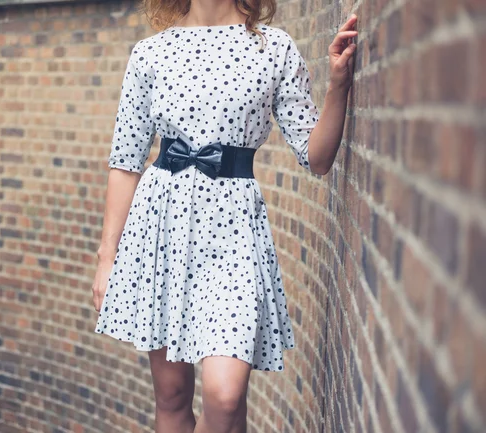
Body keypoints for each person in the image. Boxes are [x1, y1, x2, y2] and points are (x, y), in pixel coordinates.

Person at [92, 0, 357, 432]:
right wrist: (107, 259)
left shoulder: (274, 49)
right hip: (163, 226)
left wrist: (338, 87)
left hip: (232, 231)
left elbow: (317, 156)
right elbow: (126, 162)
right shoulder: (150, 53)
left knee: (225, 395)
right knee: (173, 395)